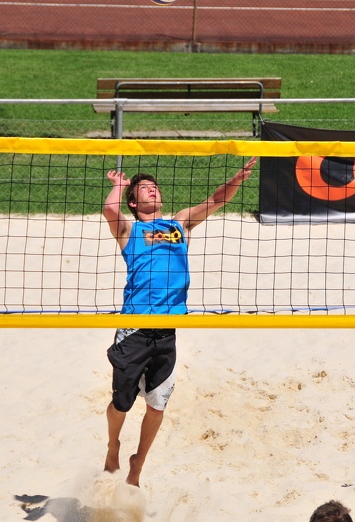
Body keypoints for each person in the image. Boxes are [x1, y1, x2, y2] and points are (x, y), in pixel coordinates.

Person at [101, 156, 257, 487]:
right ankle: (113, 445)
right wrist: (117, 185)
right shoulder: (130, 230)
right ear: (134, 201)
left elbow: (217, 200)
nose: (153, 190)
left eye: (154, 186)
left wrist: (238, 178)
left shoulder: (179, 224)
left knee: (156, 407)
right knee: (121, 403)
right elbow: (110, 211)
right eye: (144, 188)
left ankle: (137, 464)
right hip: (134, 327)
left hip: (167, 330)